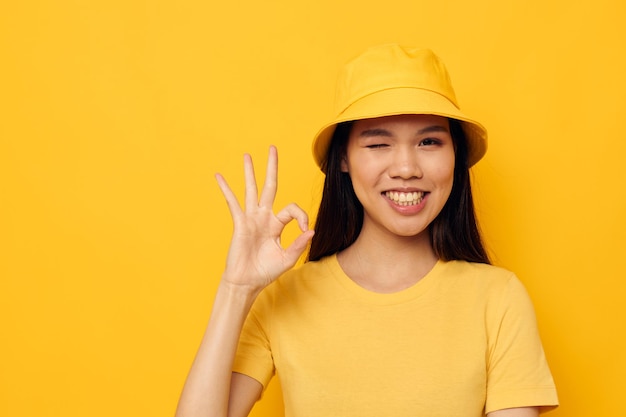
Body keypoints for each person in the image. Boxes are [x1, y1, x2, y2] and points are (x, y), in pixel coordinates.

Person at [175, 44, 558, 417]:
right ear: (343, 159)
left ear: (455, 157)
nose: (406, 167)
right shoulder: (284, 298)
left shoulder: (498, 300)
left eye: (429, 141)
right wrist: (236, 290)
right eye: (378, 143)